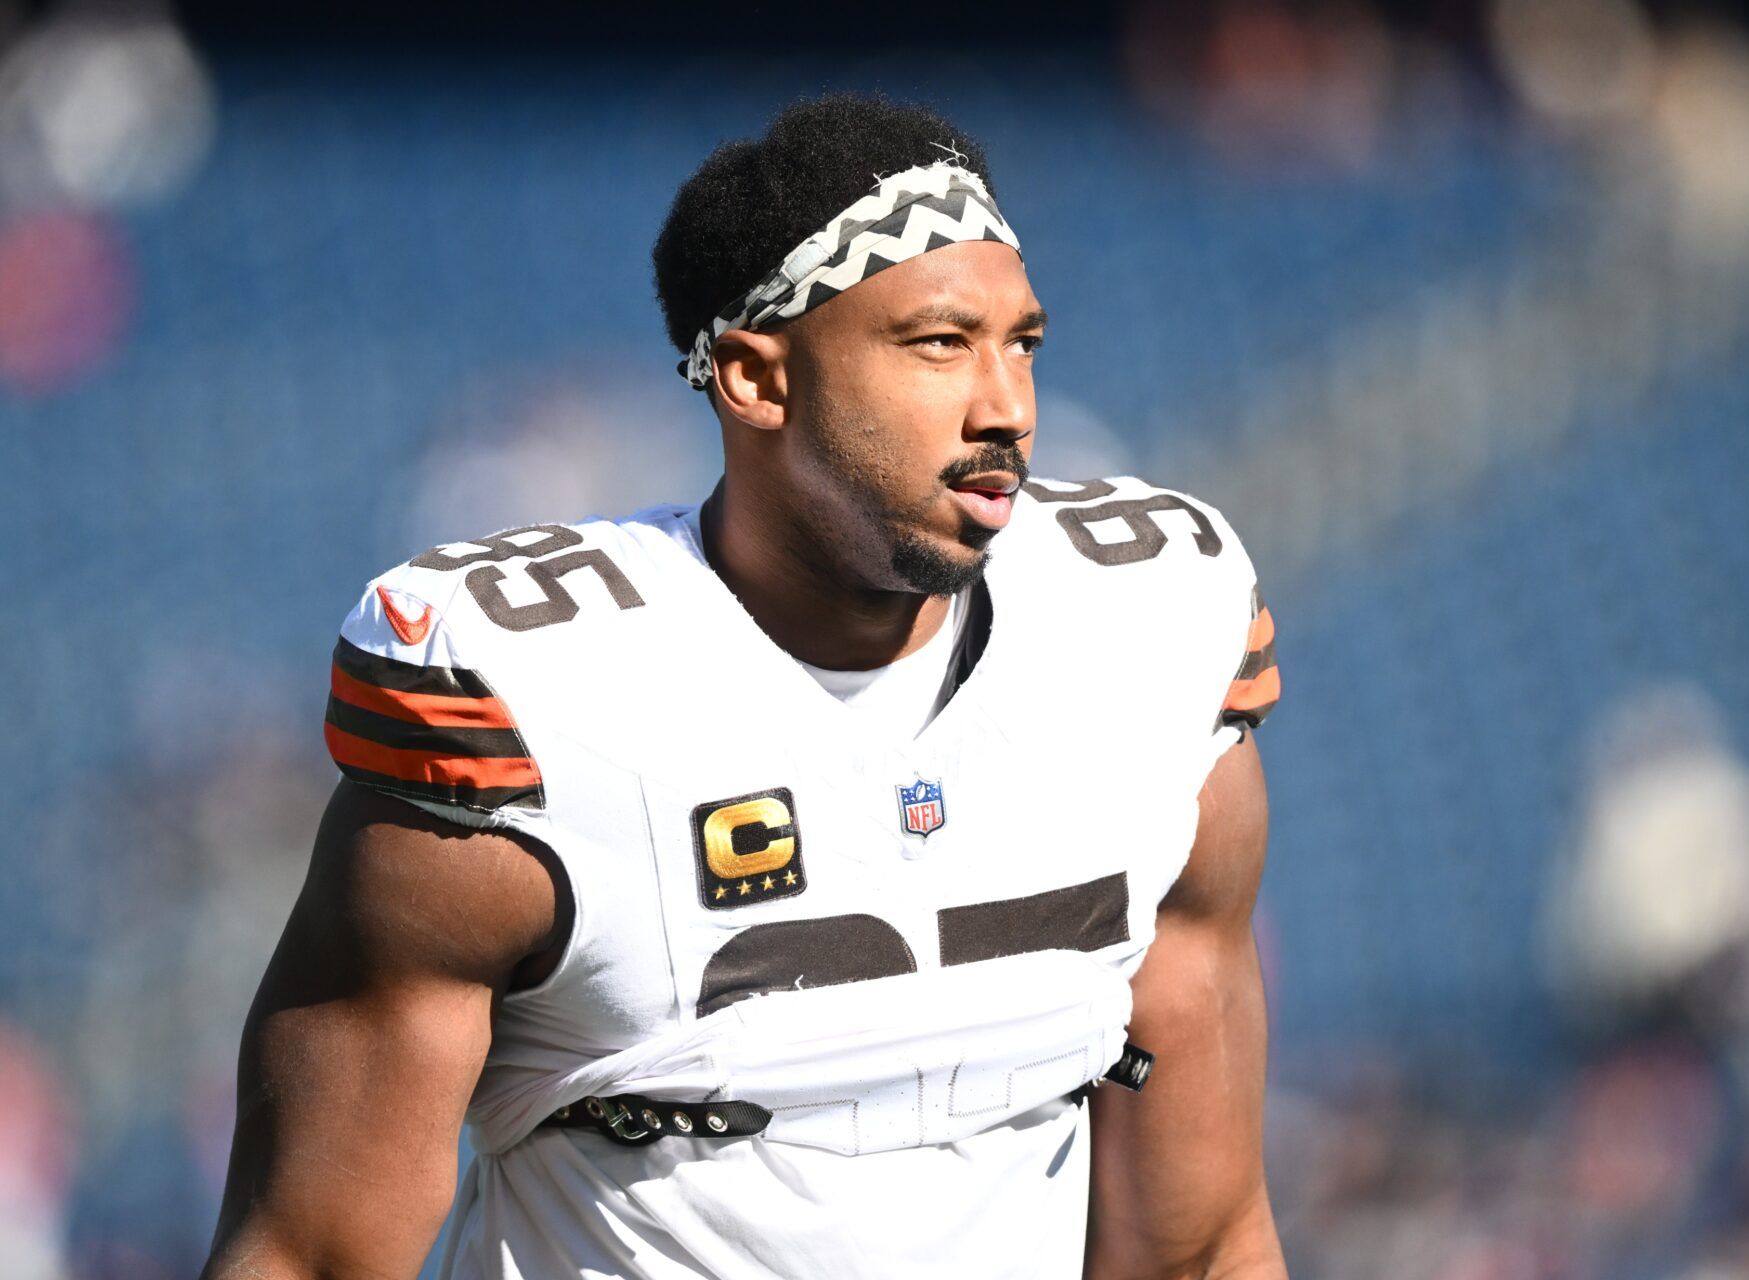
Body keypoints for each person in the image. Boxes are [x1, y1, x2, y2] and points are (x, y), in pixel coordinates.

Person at [201, 94, 1286, 1280]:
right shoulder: (535, 701)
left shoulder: (1147, 634)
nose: (1006, 408)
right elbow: (308, 1252)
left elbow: (1201, 1243)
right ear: (756, 381)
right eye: (937, 344)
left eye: (1019, 342)